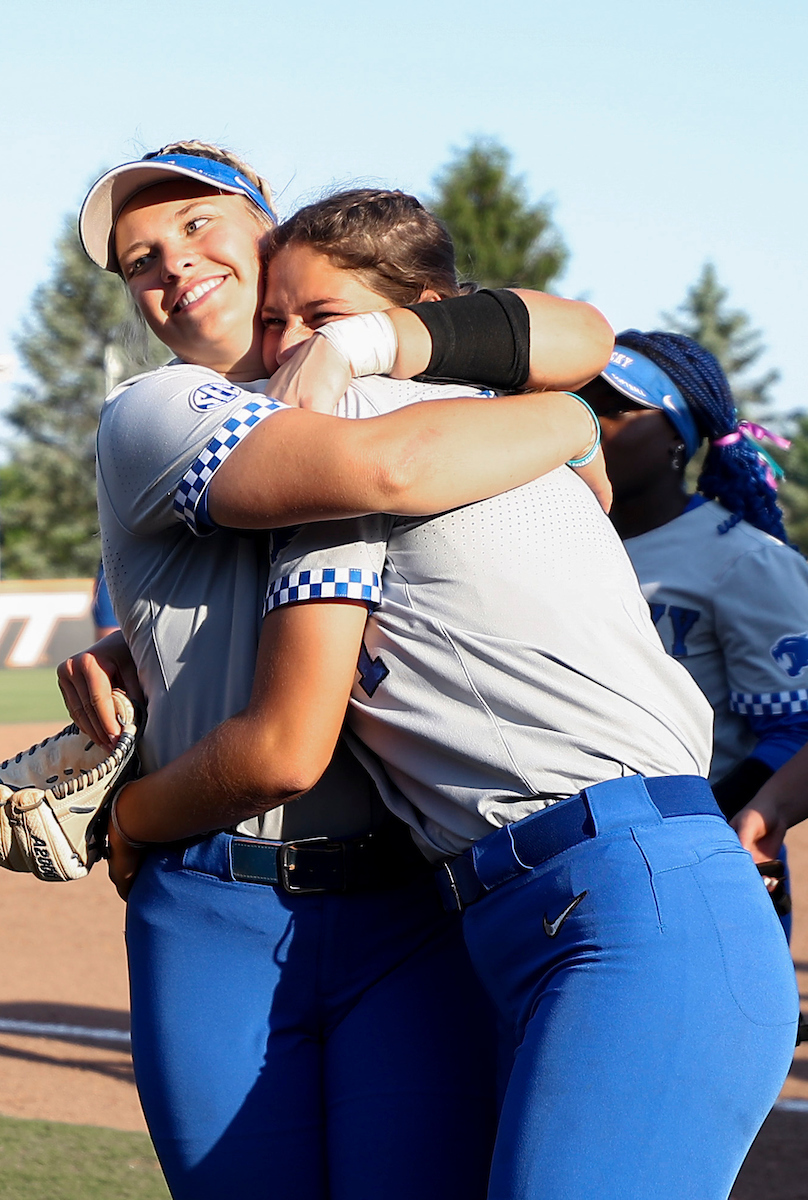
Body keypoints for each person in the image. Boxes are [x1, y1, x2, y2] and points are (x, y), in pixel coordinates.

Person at [109, 189, 799, 1200]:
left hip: (623, 892)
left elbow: (288, 741)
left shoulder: (393, 440)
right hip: (537, 905)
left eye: (322, 318)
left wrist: (127, 823)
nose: (299, 343)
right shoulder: (467, 435)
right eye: (280, 324)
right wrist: (566, 418)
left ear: (420, 322)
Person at [68, 143, 614, 1200]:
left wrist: (374, 340)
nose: (171, 263)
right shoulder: (156, 407)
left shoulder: (359, 376)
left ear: (269, 233)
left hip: (407, 905)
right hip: (218, 902)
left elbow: (585, 334)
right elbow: (379, 469)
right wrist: (567, 418)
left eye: (197, 225)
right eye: (140, 258)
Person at [578, 332, 808, 929]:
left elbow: (794, 732)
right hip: (568, 864)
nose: (593, 422)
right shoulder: (556, 541)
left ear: (677, 440)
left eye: (620, 407)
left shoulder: (744, 559)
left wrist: (695, 827)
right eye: (584, 399)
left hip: (702, 871)